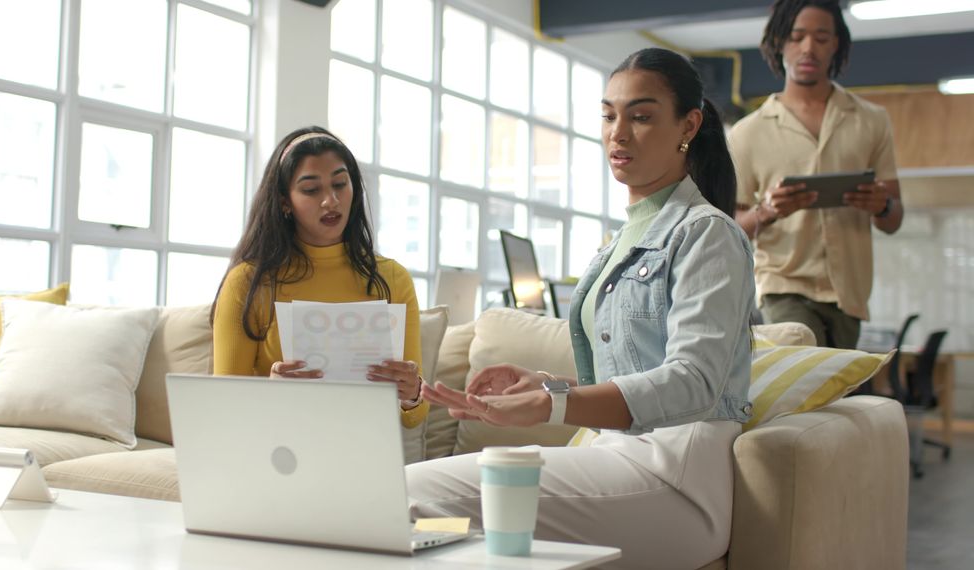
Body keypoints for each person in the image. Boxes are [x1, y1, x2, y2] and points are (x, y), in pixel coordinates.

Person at [406, 48, 756, 569]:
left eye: (640, 116)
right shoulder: (624, 238)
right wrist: (547, 385)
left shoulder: (707, 233)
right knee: (428, 525)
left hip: (672, 481)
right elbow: (633, 371)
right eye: (608, 115)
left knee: (405, 496)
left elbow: (694, 382)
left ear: (689, 124)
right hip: (612, 459)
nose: (618, 133)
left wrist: (554, 405)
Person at [211, 126, 429, 428]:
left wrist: (412, 393)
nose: (331, 200)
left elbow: (414, 418)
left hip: (363, 448)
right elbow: (223, 408)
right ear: (285, 202)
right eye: (312, 190)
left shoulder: (392, 278)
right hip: (277, 449)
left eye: (340, 184)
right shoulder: (248, 282)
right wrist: (269, 393)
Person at [728, 0, 904, 349]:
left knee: (835, 399)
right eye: (797, 36)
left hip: (849, 296)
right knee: (803, 390)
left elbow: (894, 218)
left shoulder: (871, 120)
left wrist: (881, 205)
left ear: (836, 43)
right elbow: (730, 230)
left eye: (822, 37)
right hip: (784, 288)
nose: (809, 47)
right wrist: (768, 211)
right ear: (780, 42)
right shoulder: (747, 133)